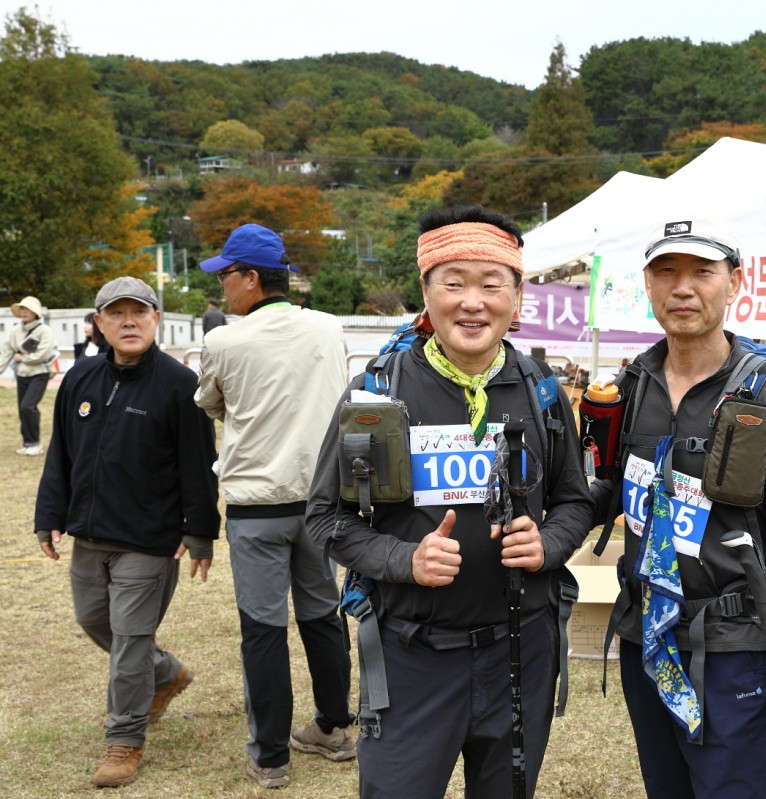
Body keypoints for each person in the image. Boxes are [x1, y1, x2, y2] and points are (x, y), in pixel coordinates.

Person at [307, 204, 592, 798]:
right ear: (426, 291)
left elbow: (574, 501)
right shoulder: (377, 391)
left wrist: (548, 544)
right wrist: (403, 558)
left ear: (517, 297)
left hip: (521, 651)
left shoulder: (541, 391)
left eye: (492, 285)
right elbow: (326, 517)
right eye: (454, 283)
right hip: (412, 654)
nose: (473, 303)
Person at [590, 216, 766, 798]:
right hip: (648, 639)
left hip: (733, 651)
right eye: (666, 272)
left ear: (735, 282)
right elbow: (604, 493)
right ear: (647, 285)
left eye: (702, 272)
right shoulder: (632, 386)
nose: (683, 288)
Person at [33, 276, 219, 788]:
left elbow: (199, 464)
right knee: (95, 620)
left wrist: (200, 531)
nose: (129, 322)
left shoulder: (179, 384)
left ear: (157, 319)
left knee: (130, 643)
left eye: (140, 312)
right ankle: (166, 673)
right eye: (116, 313)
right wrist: (49, 514)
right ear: (99, 323)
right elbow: (61, 453)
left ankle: (124, 739)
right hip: (89, 536)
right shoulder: (80, 378)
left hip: (151, 540)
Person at [195, 223, 357, 790]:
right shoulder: (328, 328)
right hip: (321, 501)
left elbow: (211, 402)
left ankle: (270, 756)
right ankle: (335, 727)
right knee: (322, 615)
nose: (222, 287)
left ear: (250, 278)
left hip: (256, 506)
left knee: (262, 629)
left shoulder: (224, 341)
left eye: (226, 276)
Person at [1, 295, 58, 455]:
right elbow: (6, 351)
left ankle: (35, 444)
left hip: (39, 373)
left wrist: (23, 358)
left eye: (28, 309)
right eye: (22, 309)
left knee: (28, 407)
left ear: (36, 313)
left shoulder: (45, 331)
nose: (24, 312)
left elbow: (43, 353)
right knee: (22, 409)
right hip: (22, 374)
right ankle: (28, 443)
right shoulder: (15, 330)